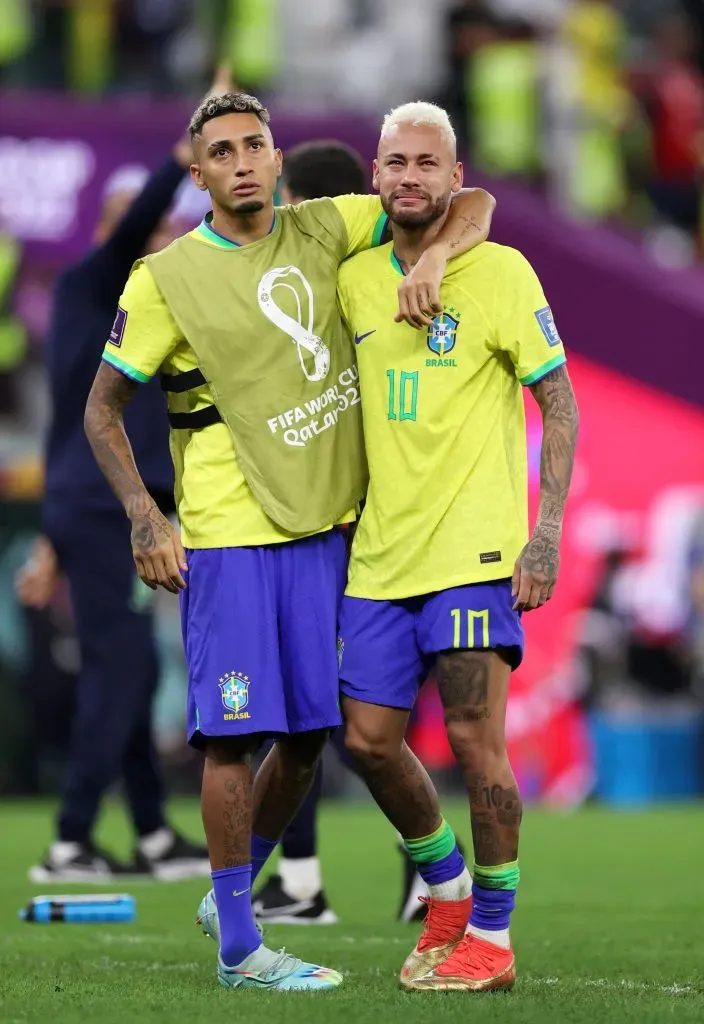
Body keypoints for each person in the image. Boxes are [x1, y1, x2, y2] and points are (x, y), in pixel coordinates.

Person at [83, 91, 495, 993]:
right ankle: (240, 944)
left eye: (254, 145)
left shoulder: (325, 228)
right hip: (229, 540)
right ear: (198, 176)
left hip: (323, 533)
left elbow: (473, 205)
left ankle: (232, 897)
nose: (240, 161)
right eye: (221, 150)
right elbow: (101, 408)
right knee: (233, 739)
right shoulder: (165, 279)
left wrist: (435, 261)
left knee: (311, 736)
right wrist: (147, 521)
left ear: (278, 160)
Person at [335, 101, 579, 992]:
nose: (409, 177)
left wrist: (544, 533)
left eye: (426, 164)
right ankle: (446, 884)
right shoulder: (350, 279)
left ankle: (494, 936)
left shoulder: (504, 273)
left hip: (475, 552)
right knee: (365, 741)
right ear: (375, 174)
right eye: (394, 162)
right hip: (379, 557)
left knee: (477, 739)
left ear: (454, 176)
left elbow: (559, 402)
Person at [13, 72, 240, 881]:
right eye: (147, 223)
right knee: (126, 665)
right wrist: (186, 156)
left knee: (130, 664)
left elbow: (64, 424)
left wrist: (48, 539)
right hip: (104, 507)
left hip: (98, 506)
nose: (161, 233)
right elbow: (137, 225)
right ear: (115, 225)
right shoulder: (90, 282)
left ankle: (147, 831)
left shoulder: (152, 309)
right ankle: (72, 838)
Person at [256, 138, 445, 927]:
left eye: (289, 198)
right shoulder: (344, 286)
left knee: (322, 710)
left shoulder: (356, 283)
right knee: (350, 714)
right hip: (372, 526)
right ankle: (347, 876)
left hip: (348, 532)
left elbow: (473, 205)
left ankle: (308, 882)